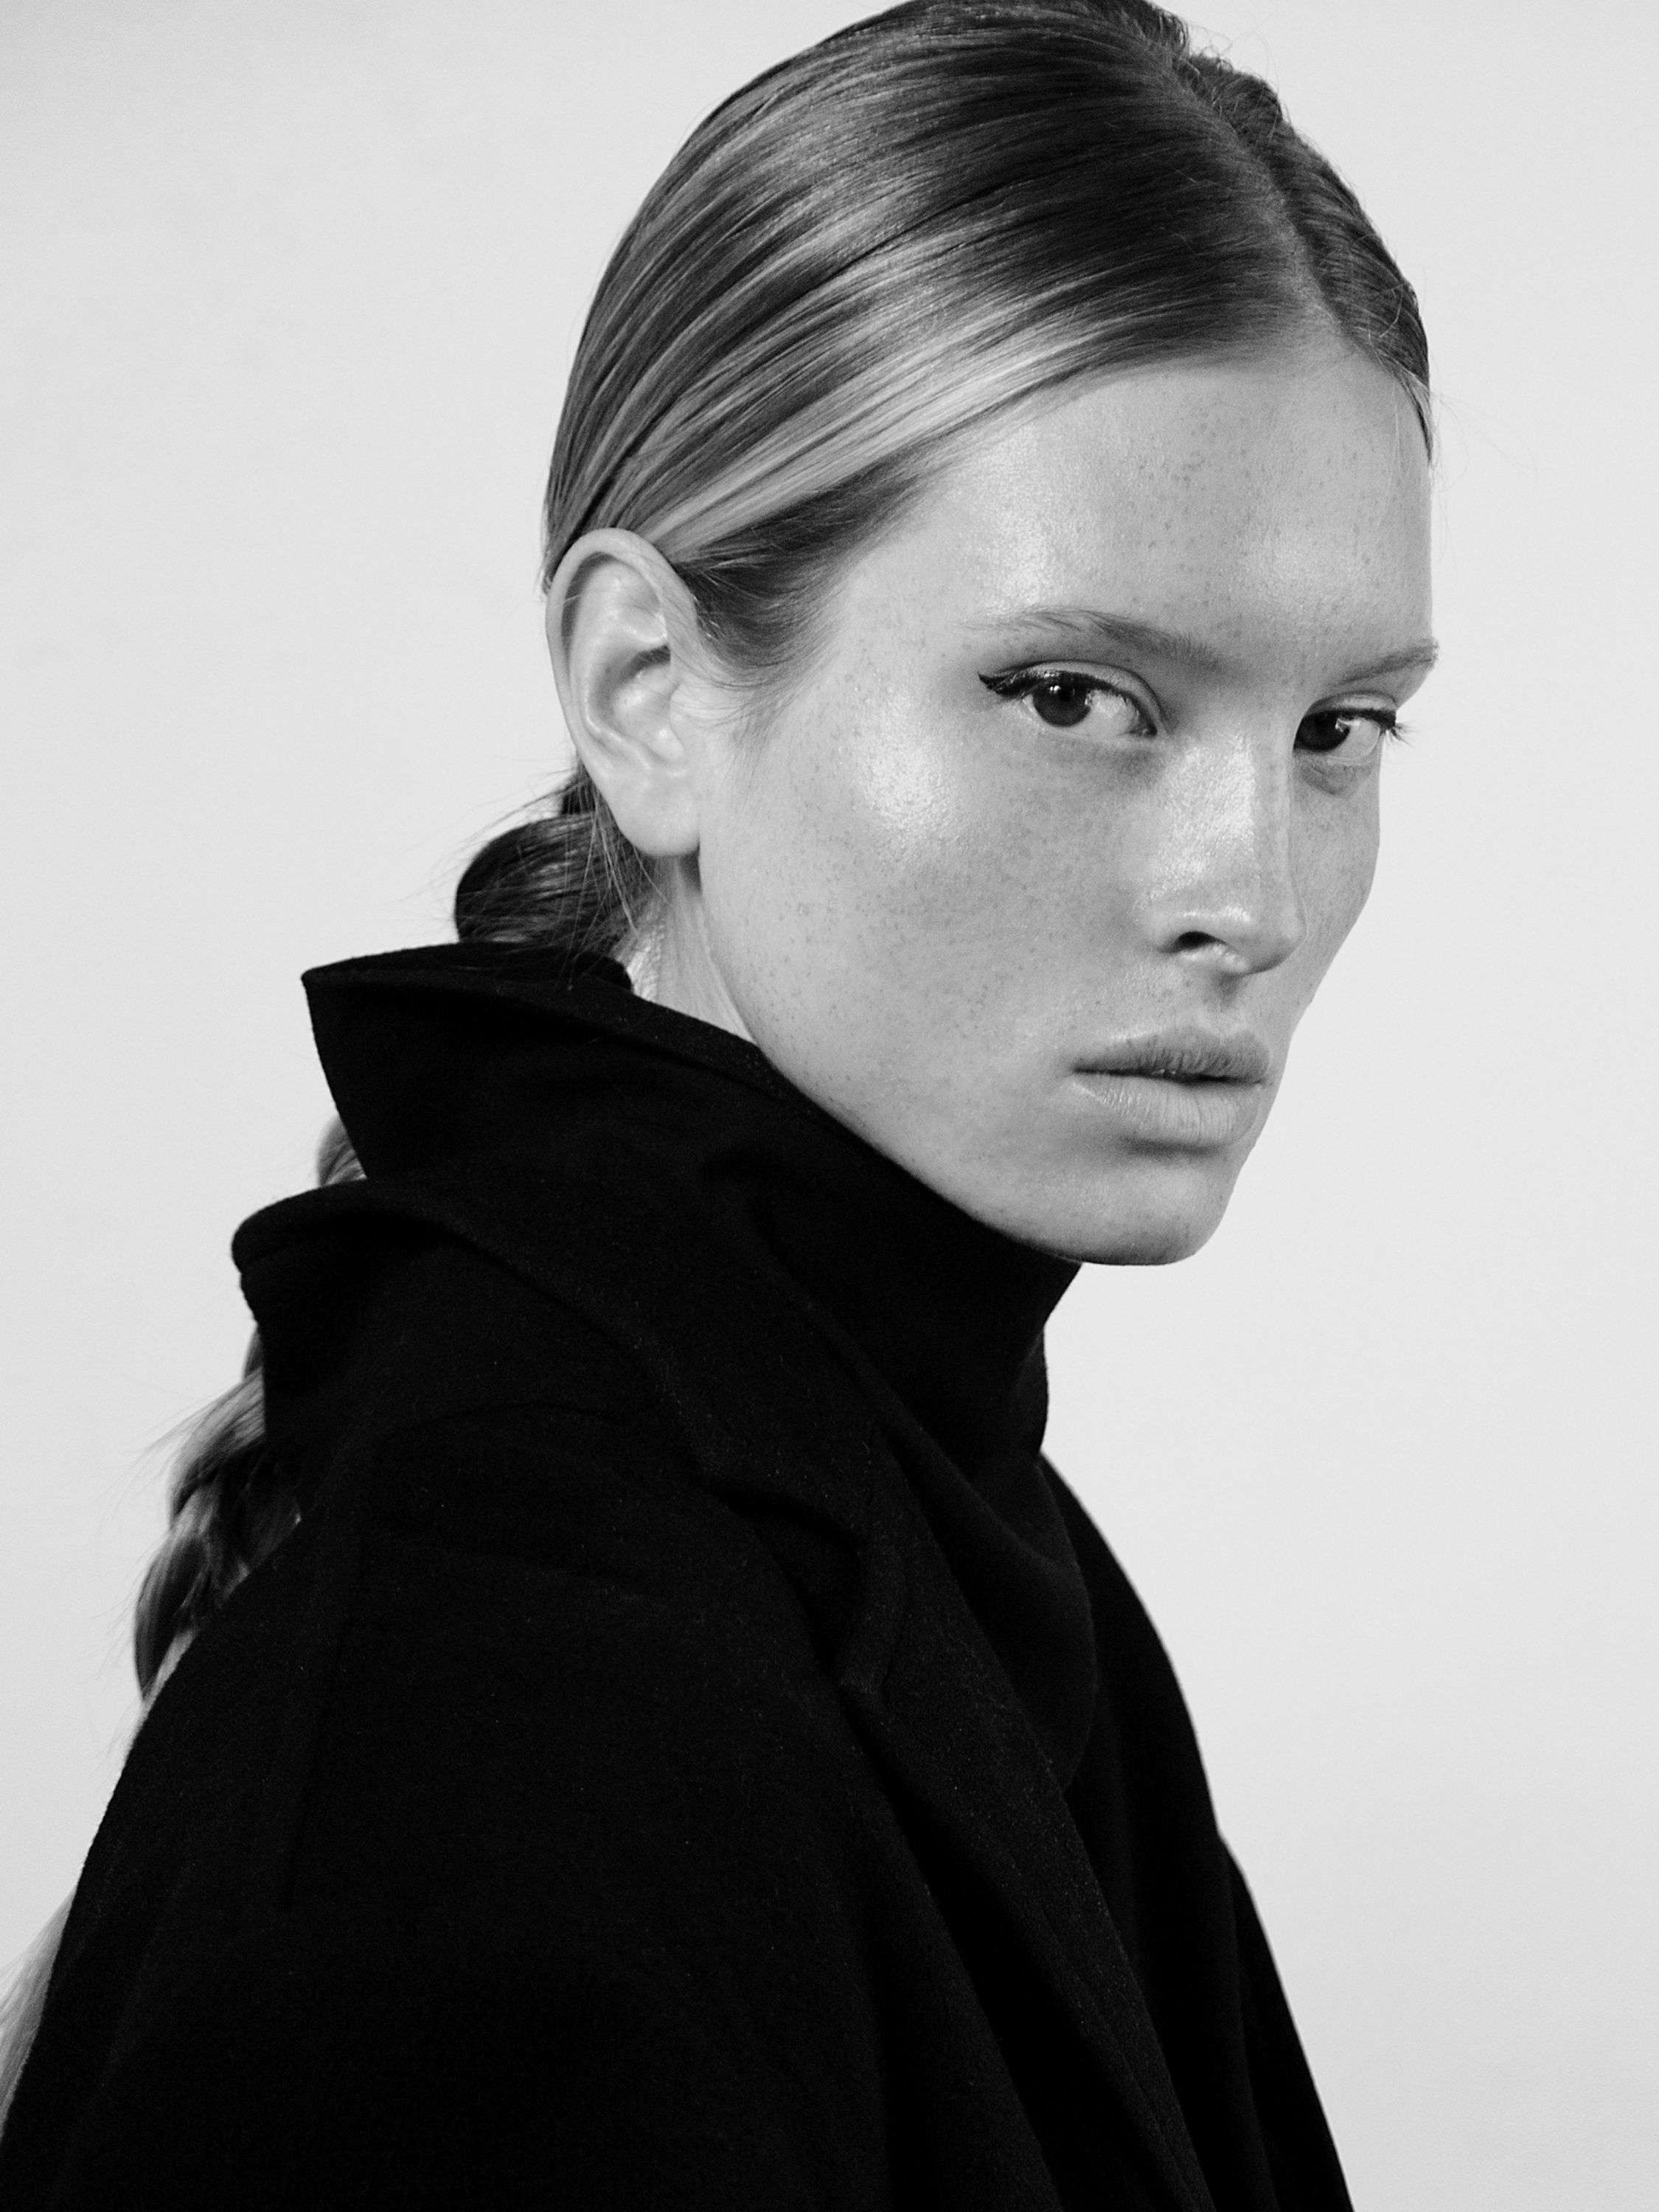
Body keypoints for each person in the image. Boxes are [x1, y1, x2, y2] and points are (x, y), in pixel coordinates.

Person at [0, 1, 1435, 2203]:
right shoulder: (511, 1701)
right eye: (1076, 695)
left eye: (1339, 730)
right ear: (649, 691)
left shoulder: (942, 1540)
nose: (1244, 892)